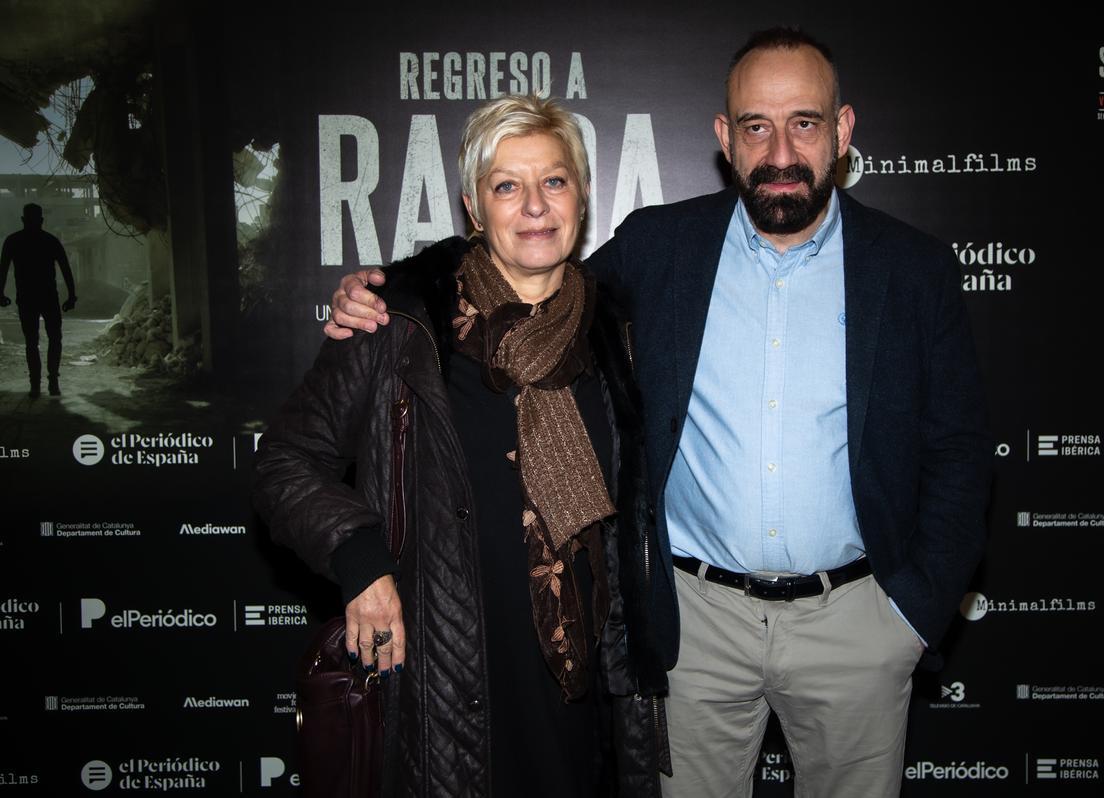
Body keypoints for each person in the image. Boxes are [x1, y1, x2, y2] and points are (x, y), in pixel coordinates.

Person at [324, 28, 991, 798]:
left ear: (842, 131)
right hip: (695, 629)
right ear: (725, 140)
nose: (780, 149)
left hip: (857, 625)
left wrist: (909, 618)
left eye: (804, 123)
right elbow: (525, 278)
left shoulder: (913, 270)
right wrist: (396, 287)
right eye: (755, 127)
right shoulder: (660, 247)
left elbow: (960, 451)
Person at [254, 94, 669, 797]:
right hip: (449, 682)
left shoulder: (616, 329)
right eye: (508, 185)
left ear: (583, 193)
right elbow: (285, 461)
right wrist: (360, 561)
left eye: (555, 181)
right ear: (474, 207)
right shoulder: (401, 323)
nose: (535, 205)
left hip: (586, 685)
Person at [1, 203, 78, 398]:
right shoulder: (50, 241)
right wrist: (71, 295)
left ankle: (35, 384)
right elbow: (65, 269)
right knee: (54, 338)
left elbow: (2, 270)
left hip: (26, 298)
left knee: (31, 342)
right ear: (42, 221)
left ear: (23, 220)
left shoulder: (13, 241)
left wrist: (0, 294)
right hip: (48, 297)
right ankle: (53, 381)